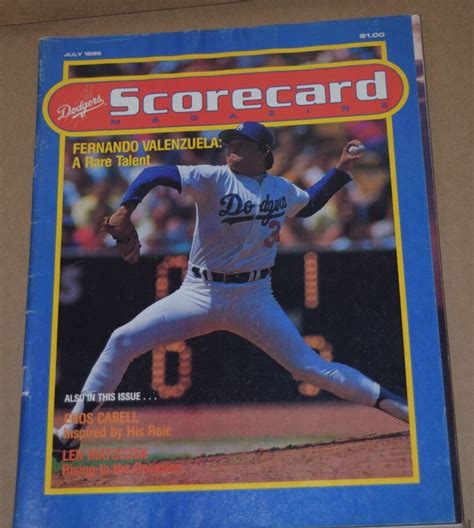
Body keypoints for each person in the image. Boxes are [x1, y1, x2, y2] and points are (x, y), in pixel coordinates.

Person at [53, 121, 408, 460]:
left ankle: (405, 411)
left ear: (264, 152)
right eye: (229, 143)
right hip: (199, 292)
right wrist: (126, 208)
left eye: (241, 144)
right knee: (122, 340)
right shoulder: (213, 178)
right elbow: (154, 173)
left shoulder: (281, 189)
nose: (231, 148)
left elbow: (310, 204)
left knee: (310, 368)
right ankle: (71, 432)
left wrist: (341, 169)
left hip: (254, 297)